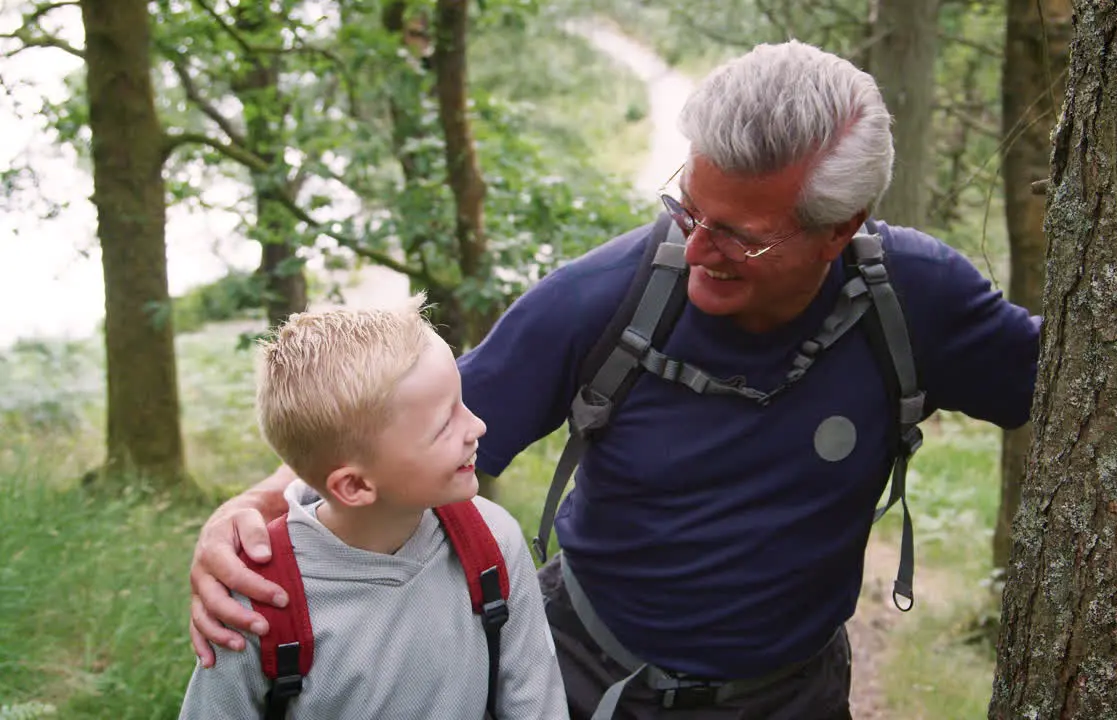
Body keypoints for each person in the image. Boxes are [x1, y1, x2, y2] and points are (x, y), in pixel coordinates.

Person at [187, 41, 1040, 719]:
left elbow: (1070, 390)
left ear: (838, 230)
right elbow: (385, 435)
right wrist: (254, 513)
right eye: (686, 208)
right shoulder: (606, 297)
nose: (696, 248)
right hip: (588, 684)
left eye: (737, 236)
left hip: (795, 696)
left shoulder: (919, 300)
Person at [178, 297, 568, 719]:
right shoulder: (257, 600)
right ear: (356, 485)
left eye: (463, 402)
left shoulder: (492, 542)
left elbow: (537, 705)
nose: (477, 427)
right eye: (444, 425)